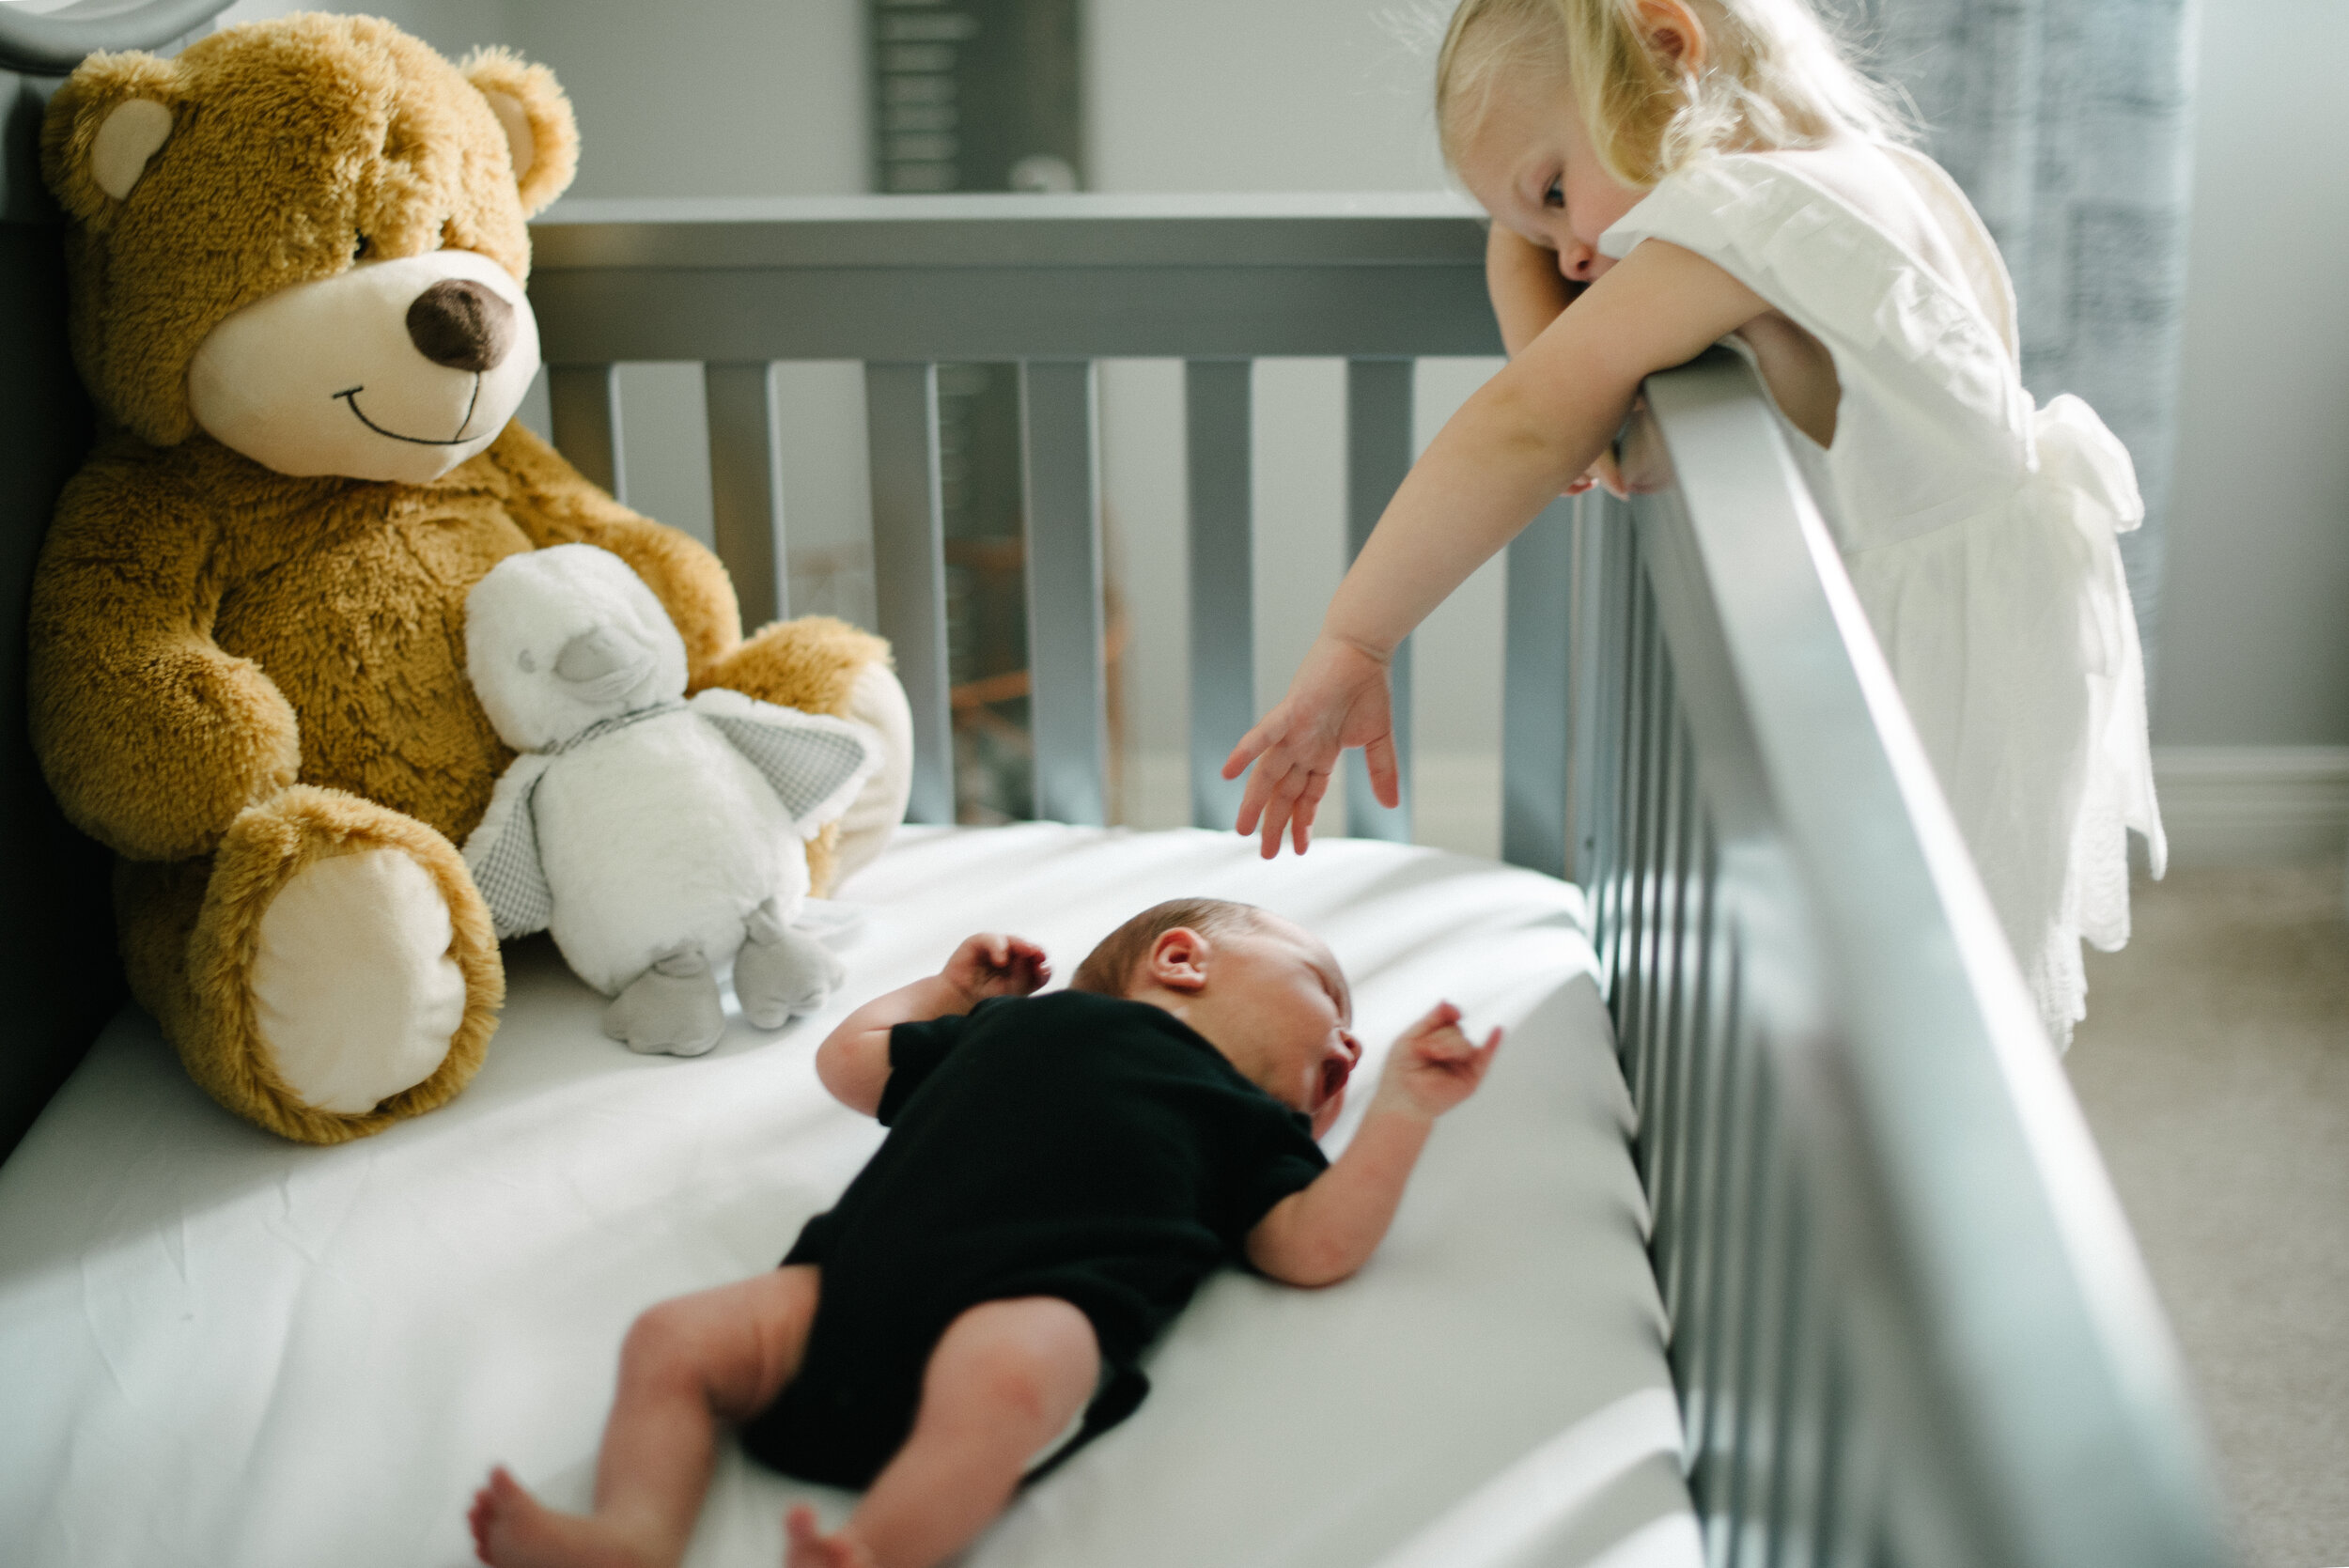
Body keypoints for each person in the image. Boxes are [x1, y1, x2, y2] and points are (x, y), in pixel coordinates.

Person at [1223, 0, 2163, 1048]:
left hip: (1934, 654)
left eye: (1552, 193)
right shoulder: (1858, 180)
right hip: (1994, 606)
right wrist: (1531, 226)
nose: (1570, 259)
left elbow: (1533, 421)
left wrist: (1356, 637)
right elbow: (1604, 434)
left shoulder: (1753, 218)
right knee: (1914, 982)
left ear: (1668, 50)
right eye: (1540, 236)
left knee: (1907, 1001)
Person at [466, 898, 1501, 1568]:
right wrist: (948, 995)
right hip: (840, 1298)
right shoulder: (1013, 1027)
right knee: (674, 1336)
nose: (1351, 1041)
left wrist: (1401, 1111)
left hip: (1035, 1310)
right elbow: (849, 1061)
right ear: (1182, 960)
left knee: (1010, 1366)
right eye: (1326, 993)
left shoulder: (1251, 1125)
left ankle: (873, 1549)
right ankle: (635, 1533)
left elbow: (1311, 1245)